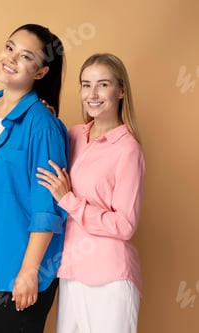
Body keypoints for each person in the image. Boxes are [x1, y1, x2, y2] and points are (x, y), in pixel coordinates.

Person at [0, 24, 69, 333]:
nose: (10, 58)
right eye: (10, 47)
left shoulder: (42, 125)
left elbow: (46, 206)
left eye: (26, 56)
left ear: (40, 72)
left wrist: (29, 271)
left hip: (25, 262)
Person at [36, 53, 144, 333]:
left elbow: (124, 225)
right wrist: (44, 119)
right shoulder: (72, 135)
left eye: (103, 85)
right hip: (71, 272)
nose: (92, 94)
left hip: (109, 277)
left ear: (121, 91)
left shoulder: (127, 149)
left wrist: (69, 200)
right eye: (86, 85)